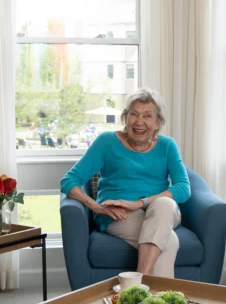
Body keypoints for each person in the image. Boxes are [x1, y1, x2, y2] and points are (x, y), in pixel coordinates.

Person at [60, 87, 190, 277]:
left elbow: (183, 188)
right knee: (169, 241)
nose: (139, 121)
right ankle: (160, 301)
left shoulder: (167, 145)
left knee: (164, 204)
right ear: (125, 118)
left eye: (147, 116)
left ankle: (135, 286)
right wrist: (95, 207)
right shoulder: (106, 142)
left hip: (160, 211)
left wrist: (140, 203)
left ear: (158, 123)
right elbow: (69, 181)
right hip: (118, 215)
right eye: (134, 114)